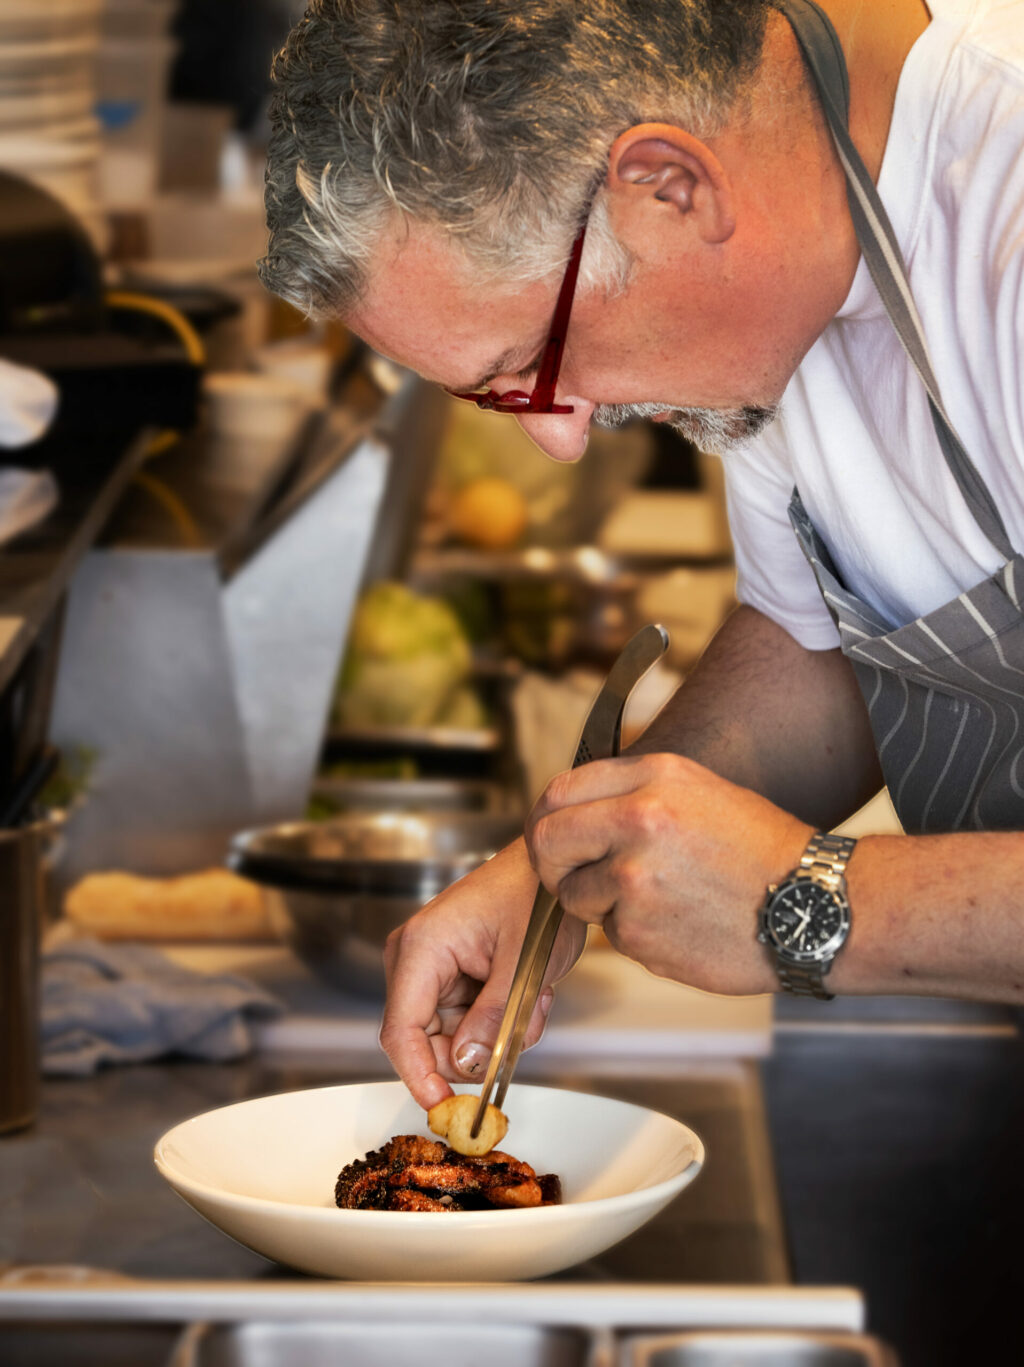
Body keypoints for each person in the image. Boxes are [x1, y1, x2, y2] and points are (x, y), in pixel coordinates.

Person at [258, 0, 1024, 1112]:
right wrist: (565, 865)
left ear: (668, 187)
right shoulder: (785, 272)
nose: (558, 437)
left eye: (534, 363)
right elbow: (821, 643)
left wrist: (800, 902)